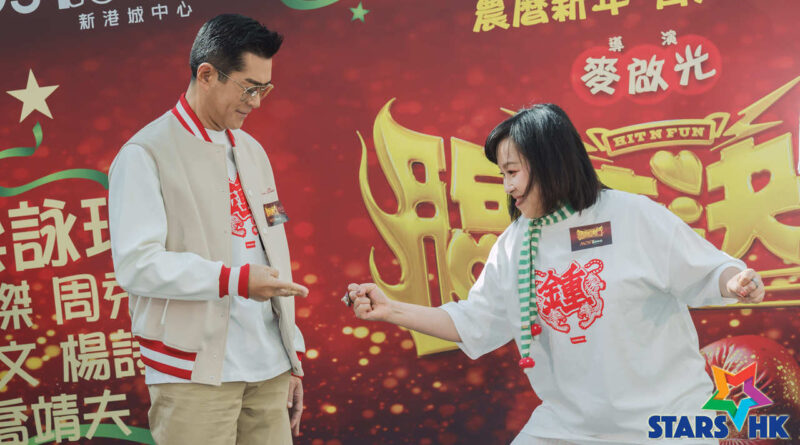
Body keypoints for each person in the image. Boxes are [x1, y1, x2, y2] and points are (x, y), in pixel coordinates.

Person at [346, 104, 765, 444]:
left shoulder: (633, 215)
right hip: (569, 427)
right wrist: (390, 309)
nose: (507, 186)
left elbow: (709, 270)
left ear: (550, 163)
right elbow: (474, 320)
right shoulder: (515, 243)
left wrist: (735, 281)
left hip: (667, 422)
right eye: (502, 175)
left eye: (512, 172)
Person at [109, 14, 309, 445]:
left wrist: (291, 352)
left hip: (270, 366)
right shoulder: (145, 153)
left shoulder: (252, 150)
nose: (256, 103)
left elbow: (273, 248)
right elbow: (137, 265)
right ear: (206, 75)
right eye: (248, 88)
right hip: (193, 372)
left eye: (265, 89)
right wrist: (234, 281)